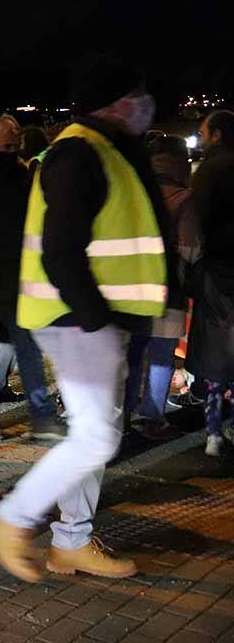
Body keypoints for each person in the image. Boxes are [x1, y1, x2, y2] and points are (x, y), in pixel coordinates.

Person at [0, 56, 167, 582]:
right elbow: (61, 251)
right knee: (96, 438)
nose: (147, 104)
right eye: (139, 92)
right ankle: (9, 519)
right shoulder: (80, 152)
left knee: (97, 432)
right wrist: (95, 319)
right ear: (116, 100)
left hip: (92, 315)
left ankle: (71, 543)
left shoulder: (102, 149)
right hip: (74, 317)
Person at [0, 115, 66, 442]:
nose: (15, 141)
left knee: (27, 348)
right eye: (8, 138)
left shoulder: (18, 173)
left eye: (17, 138)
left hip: (13, 280)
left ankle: (42, 416)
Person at [124, 135, 196, 440]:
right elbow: (191, 248)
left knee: (133, 354)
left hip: (133, 286)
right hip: (169, 288)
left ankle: (123, 414)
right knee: (162, 355)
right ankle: (152, 417)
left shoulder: (136, 191)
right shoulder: (184, 199)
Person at [186, 110, 234, 456]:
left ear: (216, 134)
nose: (200, 139)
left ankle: (215, 432)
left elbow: (198, 222)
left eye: (204, 132)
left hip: (217, 273)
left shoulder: (209, 171)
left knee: (217, 356)